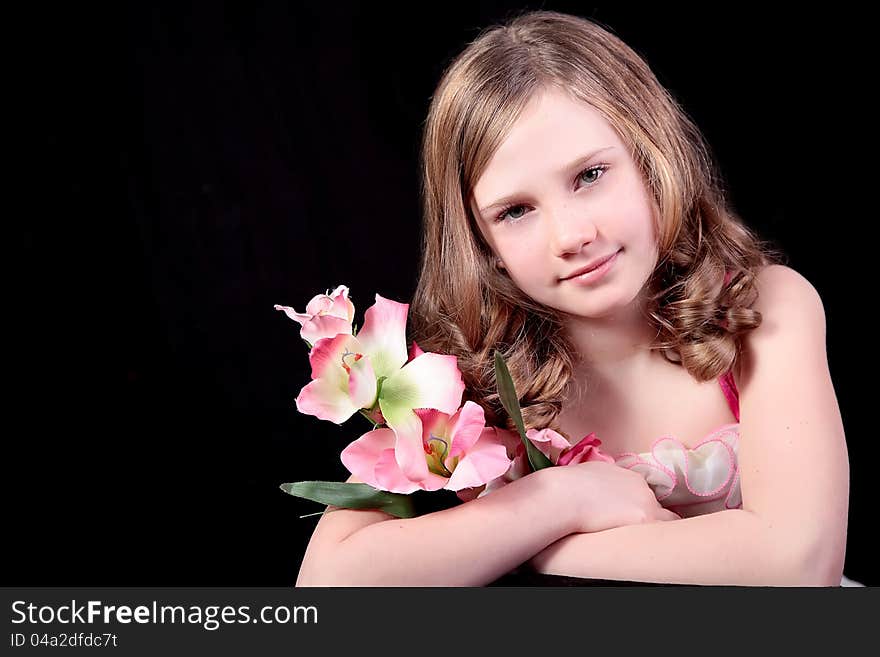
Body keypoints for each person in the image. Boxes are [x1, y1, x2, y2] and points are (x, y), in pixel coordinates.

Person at [295, 10, 860, 586]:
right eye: (515, 211)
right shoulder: (464, 377)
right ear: (482, 243)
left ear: (651, 157)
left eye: (589, 175)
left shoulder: (762, 309)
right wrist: (558, 502)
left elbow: (800, 565)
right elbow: (327, 592)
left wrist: (538, 550)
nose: (571, 236)